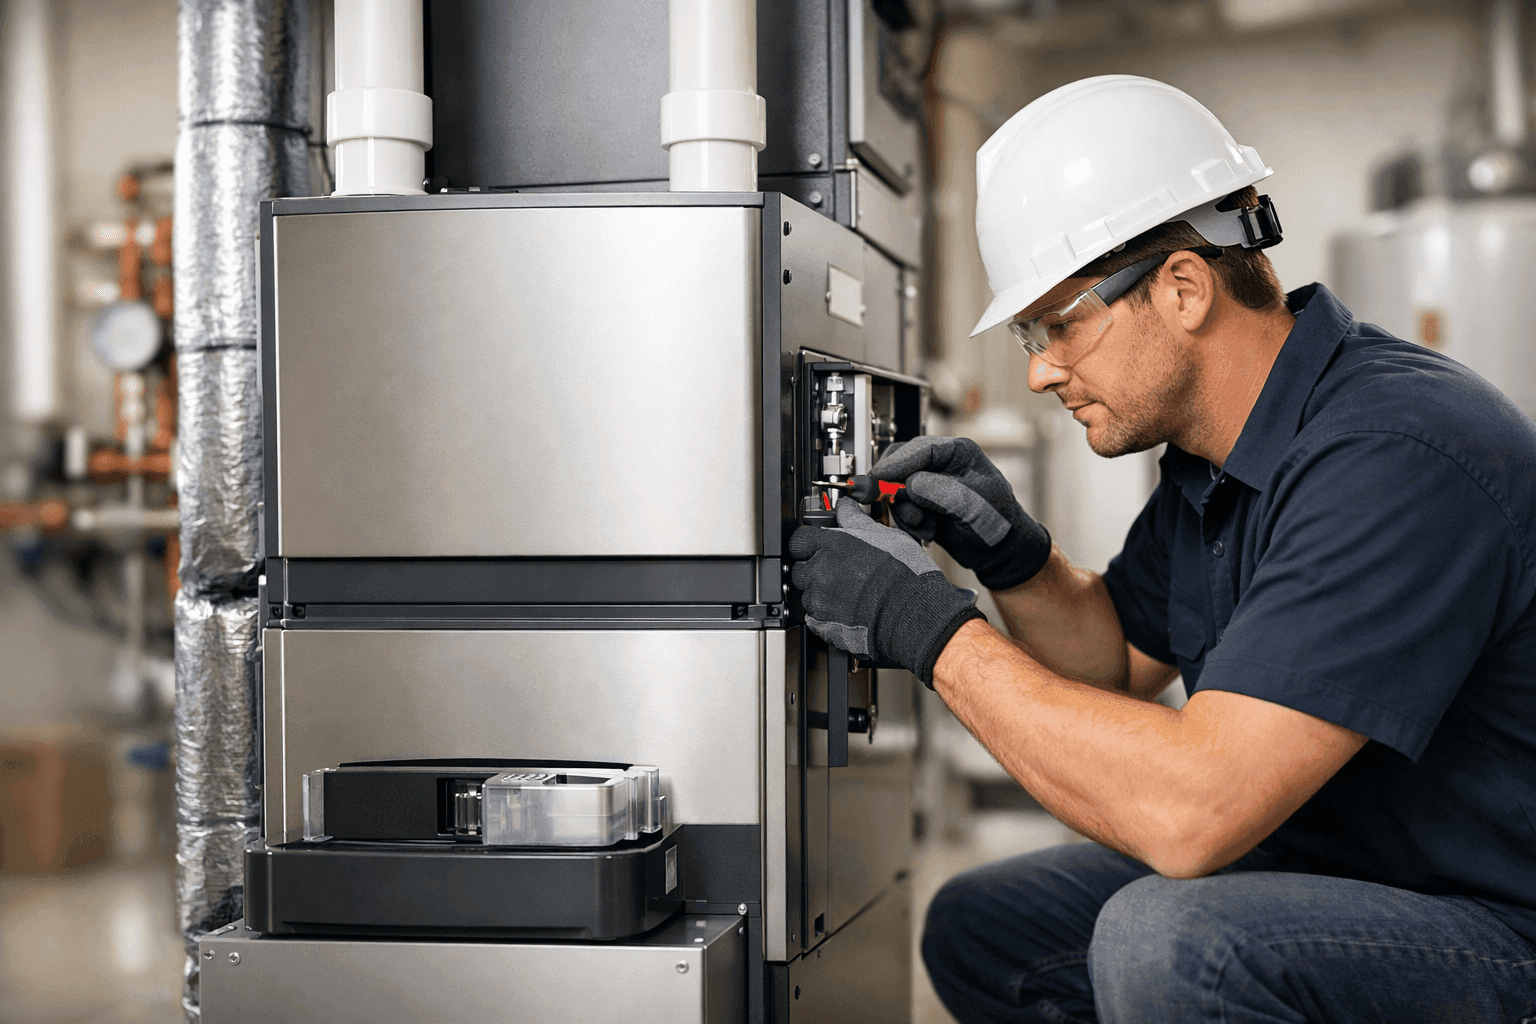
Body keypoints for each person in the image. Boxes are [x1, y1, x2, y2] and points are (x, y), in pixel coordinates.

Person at [789, 75, 1536, 1022]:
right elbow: (1117, 661)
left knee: (1175, 943)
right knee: (984, 925)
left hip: (1498, 929)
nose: (1039, 368)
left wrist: (933, 633)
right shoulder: (1215, 452)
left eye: (1060, 325)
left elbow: (1193, 813)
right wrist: (1017, 563)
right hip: (1338, 868)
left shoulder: (1396, 453)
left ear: (1182, 286)